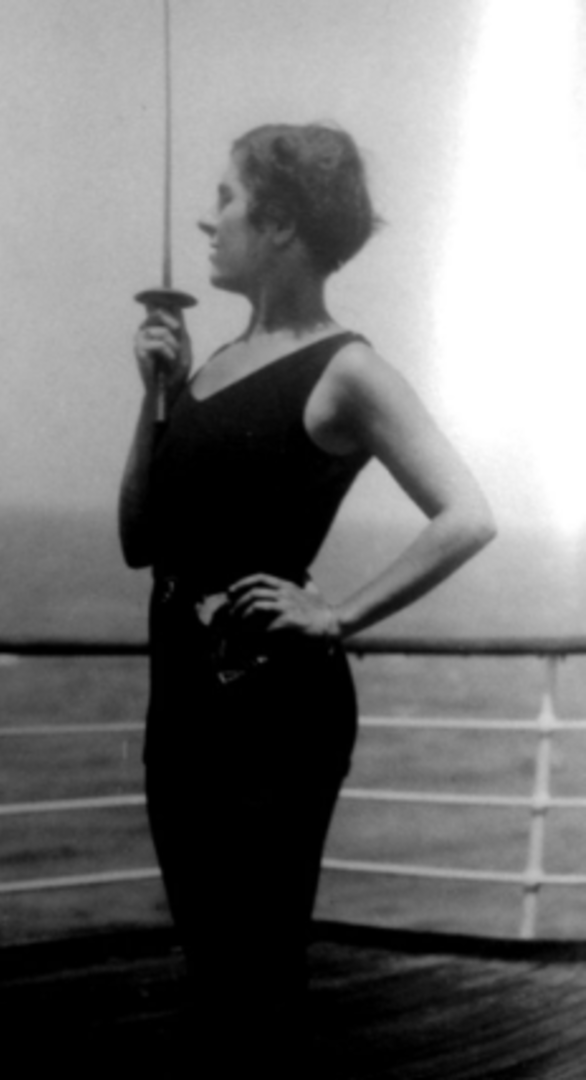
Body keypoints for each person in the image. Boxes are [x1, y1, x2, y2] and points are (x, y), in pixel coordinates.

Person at [118, 122, 496, 1069]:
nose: (208, 221)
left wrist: (337, 614)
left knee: (259, 974)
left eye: (228, 199)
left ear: (282, 223)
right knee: (214, 969)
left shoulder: (346, 369)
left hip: (274, 709)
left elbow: (467, 515)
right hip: (183, 700)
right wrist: (156, 394)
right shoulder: (210, 365)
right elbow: (140, 540)